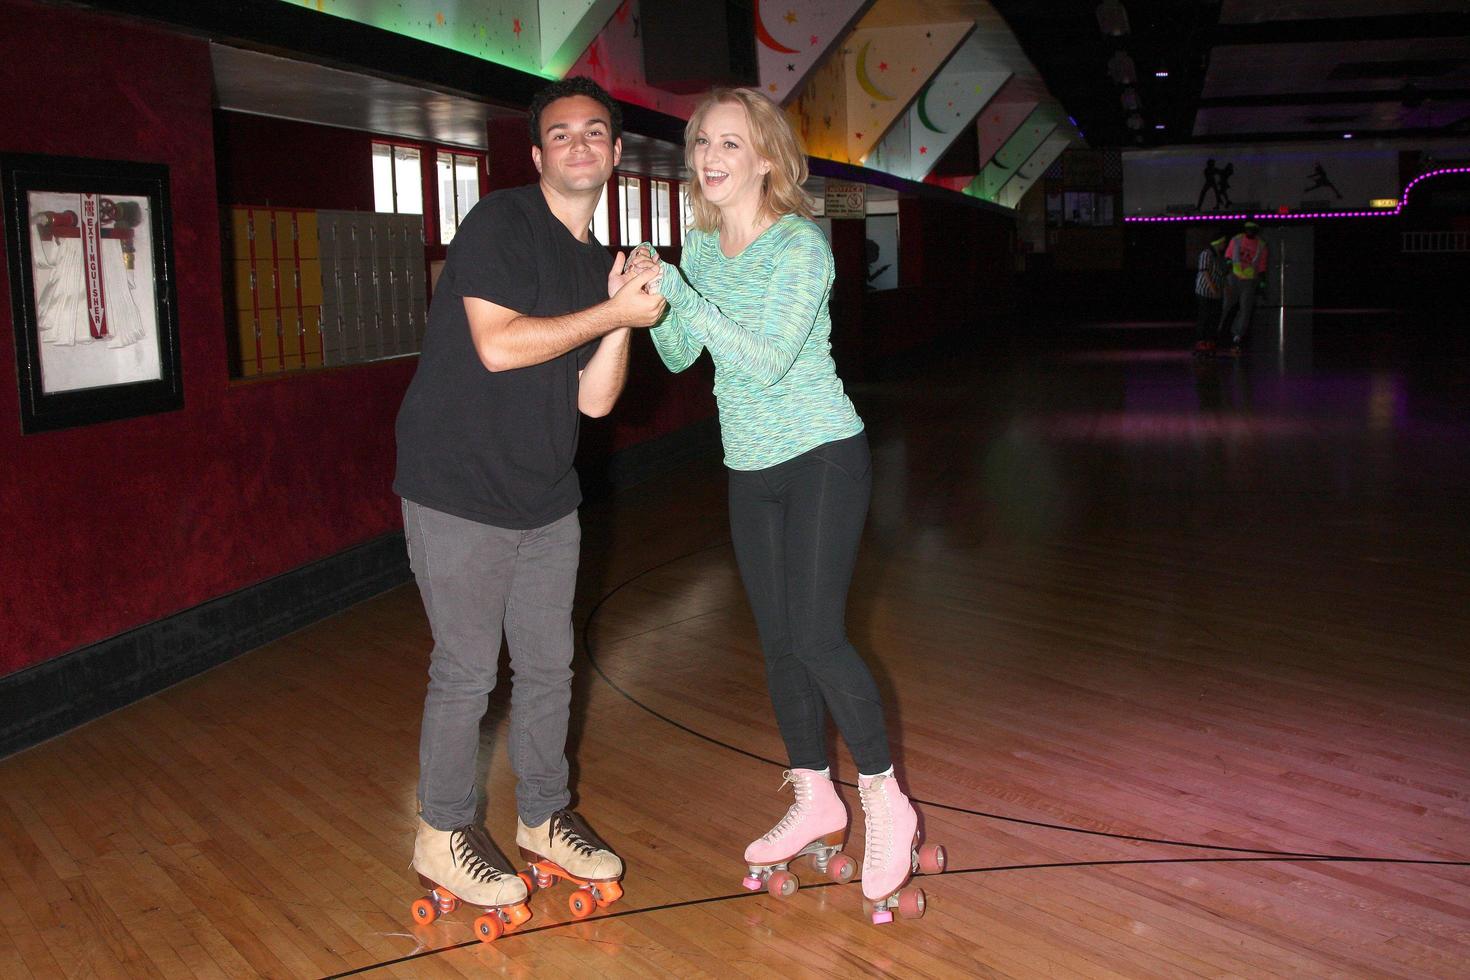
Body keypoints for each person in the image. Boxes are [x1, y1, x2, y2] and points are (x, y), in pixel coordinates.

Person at [640, 88, 941, 924]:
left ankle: (886, 800)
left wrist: (685, 293)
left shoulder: (802, 246)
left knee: (816, 634)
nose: (710, 156)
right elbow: (675, 356)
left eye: (730, 144)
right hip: (750, 465)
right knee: (778, 646)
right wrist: (653, 295)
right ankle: (816, 796)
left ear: (766, 157)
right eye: (703, 141)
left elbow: (769, 360)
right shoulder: (702, 246)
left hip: (820, 456)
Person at [392, 76, 665, 929]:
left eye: (595, 132)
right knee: (468, 671)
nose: (578, 144)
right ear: (538, 154)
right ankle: (441, 832)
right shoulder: (502, 223)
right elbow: (499, 346)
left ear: (617, 155)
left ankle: (545, 815)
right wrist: (610, 307)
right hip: (459, 487)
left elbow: (594, 402)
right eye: (561, 134)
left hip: (546, 494)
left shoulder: (597, 262)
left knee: (550, 666)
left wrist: (624, 315)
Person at [1218, 221, 1268, 356]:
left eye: (1252, 229)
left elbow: (1262, 268)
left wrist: (1262, 285)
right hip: (1233, 277)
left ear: (1256, 230)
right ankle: (1216, 329)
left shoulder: (1261, 245)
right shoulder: (1236, 239)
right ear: (1245, 229)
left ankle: (1237, 335)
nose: (1249, 232)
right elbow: (1228, 257)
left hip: (1249, 281)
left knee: (1245, 309)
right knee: (1225, 305)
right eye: (1248, 229)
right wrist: (1225, 271)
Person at [1192, 235, 1227, 355]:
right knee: (1204, 316)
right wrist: (1212, 288)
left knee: (1213, 318)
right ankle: (1201, 341)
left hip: (1216, 292)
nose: (1224, 244)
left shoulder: (1219, 257)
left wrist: (1222, 289)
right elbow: (1205, 272)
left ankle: (1209, 340)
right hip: (1205, 291)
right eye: (1222, 242)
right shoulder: (1206, 254)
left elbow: (1221, 274)